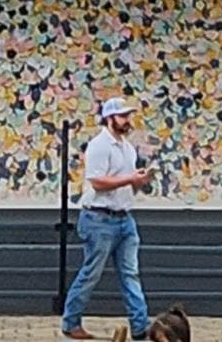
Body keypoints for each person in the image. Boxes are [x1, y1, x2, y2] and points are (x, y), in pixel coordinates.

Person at [60, 96, 151, 341]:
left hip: (124, 217)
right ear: (109, 118)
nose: (127, 121)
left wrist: (138, 182)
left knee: (130, 273)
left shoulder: (128, 148)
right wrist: (130, 179)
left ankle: (140, 327)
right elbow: (97, 182)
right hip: (98, 218)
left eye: (128, 116)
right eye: (122, 116)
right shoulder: (99, 145)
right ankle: (71, 322)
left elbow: (127, 186)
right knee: (91, 273)